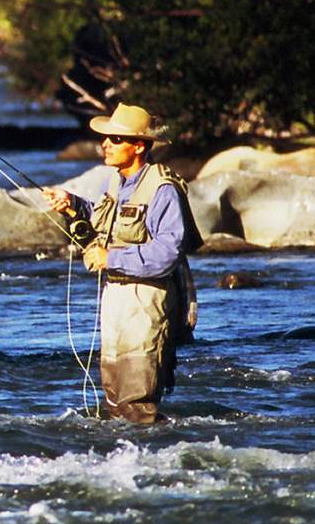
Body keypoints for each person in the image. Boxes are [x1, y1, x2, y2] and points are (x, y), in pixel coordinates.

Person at [40, 103, 198, 423]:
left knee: (138, 402)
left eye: (115, 139)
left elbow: (169, 252)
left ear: (139, 145)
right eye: (105, 138)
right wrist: (72, 205)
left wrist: (110, 257)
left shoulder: (162, 189)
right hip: (114, 297)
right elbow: (104, 222)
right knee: (114, 398)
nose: (105, 144)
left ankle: (153, 463)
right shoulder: (115, 183)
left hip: (147, 298)